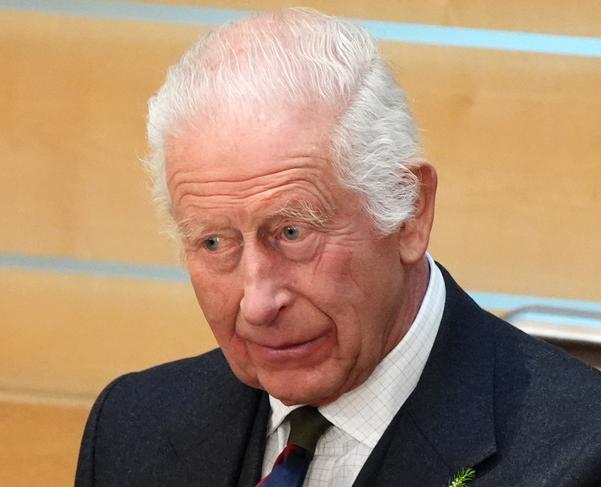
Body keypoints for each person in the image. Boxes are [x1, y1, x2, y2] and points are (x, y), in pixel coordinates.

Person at [75, 8, 601, 487]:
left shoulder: (580, 454)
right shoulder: (130, 428)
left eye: (292, 233)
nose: (257, 304)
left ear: (410, 211)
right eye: (214, 242)